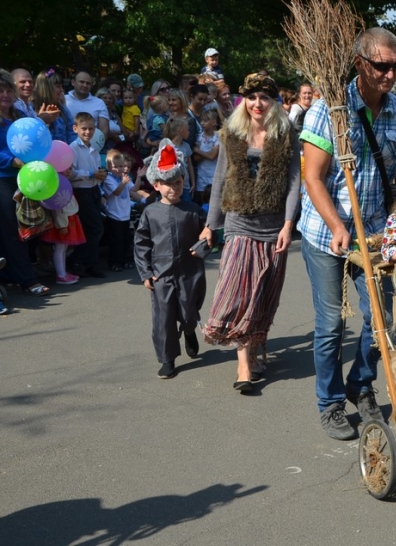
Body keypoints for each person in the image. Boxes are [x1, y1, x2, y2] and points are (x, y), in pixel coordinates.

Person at [299, 27, 396, 439]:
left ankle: (360, 384)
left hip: (374, 233)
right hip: (326, 232)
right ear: (359, 64)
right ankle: (330, 402)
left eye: (395, 66)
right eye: (381, 66)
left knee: (381, 320)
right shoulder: (329, 109)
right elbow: (312, 178)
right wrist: (337, 225)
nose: (390, 74)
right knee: (332, 323)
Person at [200, 72, 301, 392]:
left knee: (264, 296)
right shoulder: (232, 132)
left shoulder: (286, 134)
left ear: (274, 102)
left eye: (265, 98)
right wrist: (210, 225)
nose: (258, 103)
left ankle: (255, 350)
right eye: (253, 97)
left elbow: (294, 183)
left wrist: (288, 224)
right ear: (245, 100)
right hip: (239, 224)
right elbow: (219, 180)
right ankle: (243, 366)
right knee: (240, 293)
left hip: (273, 227)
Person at [134, 144, 207, 380]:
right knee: (163, 318)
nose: (174, 188)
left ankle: (188, 331)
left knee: (188, 312)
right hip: (161, 275)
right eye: (168, 184)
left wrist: (202, 247)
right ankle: (167, 358)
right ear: (156, 185)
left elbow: (208, 235)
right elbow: (141, 243)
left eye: (178, 183)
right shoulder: (150, 212)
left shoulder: (193, 210)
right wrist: (145, 272)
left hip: (189, 272)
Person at [0, 69, 52, 299]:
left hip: (25, 180)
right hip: (3, 180)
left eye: (8, 90)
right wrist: (12, 161)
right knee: (13, 231)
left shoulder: (20, 117)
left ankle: (12, 275)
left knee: (27, 229)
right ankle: (27, 280)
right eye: (0, 91)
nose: (5, 95)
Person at [67, 112, 107, 278]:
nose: (87, 132)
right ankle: (76, 260)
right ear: (75, 128)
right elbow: (70, 173)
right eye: (84, 129)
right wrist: (91, 174)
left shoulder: (94, 149)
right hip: (81, 191)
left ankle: (90, 264)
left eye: (91, 129)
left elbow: (97, 172)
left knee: (92, 228)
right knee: (95, 228)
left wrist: (100, 186)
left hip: (94, 191)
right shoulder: (73, 149)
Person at [40, 168, 85, 285]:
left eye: (70, 168)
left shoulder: (64, 183)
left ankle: (63, 272)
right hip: (64, 220)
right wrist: (61, 224)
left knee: (63, 248)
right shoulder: (58, 185)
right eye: (66, 169)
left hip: (69, 218)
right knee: (60, 248)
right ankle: (61, 275)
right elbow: (58, 208)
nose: (69, 171)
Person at [102, 149, 134, 271]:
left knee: (126, 239)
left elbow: (133, 189)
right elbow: (116, 192)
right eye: (116, 167)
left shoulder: (124, 177)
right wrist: (123, 183)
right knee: (116, 241)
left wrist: (139, 177)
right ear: (109, 167)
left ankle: (127, 260)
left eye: (121, 166)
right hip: (114, 214)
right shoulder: (108, 179)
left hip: (125, 213)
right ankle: (115, 263)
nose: (120, 169)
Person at [33, 70, 76, 144]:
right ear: (46, 88)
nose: (62, 90)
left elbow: (72, 136)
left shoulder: (63, 110)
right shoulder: (31, 109)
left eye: (61, 86)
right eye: (58, 86)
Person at [65, 71, 109, 138]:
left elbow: (104, 131)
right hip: (66, 145)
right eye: (82, 82)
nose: (85, 85)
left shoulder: (99, 103)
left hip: (92, 146)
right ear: (73, 82)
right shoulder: (63, 100)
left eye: (88, 83)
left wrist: (96, 147)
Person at [163, 117, 195, 201]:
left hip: (186, 185)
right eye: (188, 130)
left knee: (186, 207)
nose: (189, 132)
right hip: (172, 185)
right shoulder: (168, 147)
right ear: (181, 131)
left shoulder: (186, 146)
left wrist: (193, 183)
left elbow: (190, 166)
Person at [193, 108, 221, 203]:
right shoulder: (199, 136)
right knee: (203, 199)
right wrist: (208, 152)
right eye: (201, 120)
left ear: (214, 122)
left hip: (214, 174)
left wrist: (197, 150)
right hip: (202, 174)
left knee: (213, 200)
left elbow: (212, 156)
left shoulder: (218, 137)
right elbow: (196, 158)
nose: (202, 123)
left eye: (206, 120)